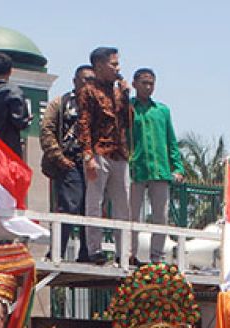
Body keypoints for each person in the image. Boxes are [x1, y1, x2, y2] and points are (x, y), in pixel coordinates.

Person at [78, 46, 132, 265]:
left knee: (123, 206)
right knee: (95, 203)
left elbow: (128, 123)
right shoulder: (88, 91)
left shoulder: (119, 91)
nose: (118, 68)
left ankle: (123, 252)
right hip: (98, 152)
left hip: (119, 154)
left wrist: (127, 95)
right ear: (99, 66)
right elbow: (84, 123)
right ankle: (95, 250)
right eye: (114, 64)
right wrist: (88, 155)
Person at [128, 67, 184, 265]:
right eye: (144, 82)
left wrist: (177, 167)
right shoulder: (128, 108)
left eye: (151, 83)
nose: (148, 87)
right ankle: (130, 254)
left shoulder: (162, 110)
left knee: (161, 216)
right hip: (136, 168)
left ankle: (157, 256)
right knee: (132, 215)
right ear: (134, 84)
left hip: (160, 170)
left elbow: (171, 140)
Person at [41, 65, 95, 263]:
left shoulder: (98, 105)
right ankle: (56, 252)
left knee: (89, 209)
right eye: (84, 79)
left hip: (92, 165)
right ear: (75, 81)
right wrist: (59, 157)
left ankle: (87, 252)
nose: (88, 84)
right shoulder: (61, 102)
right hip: (68, 162)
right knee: (69, 206)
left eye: (92, 80)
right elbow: (47, 129)